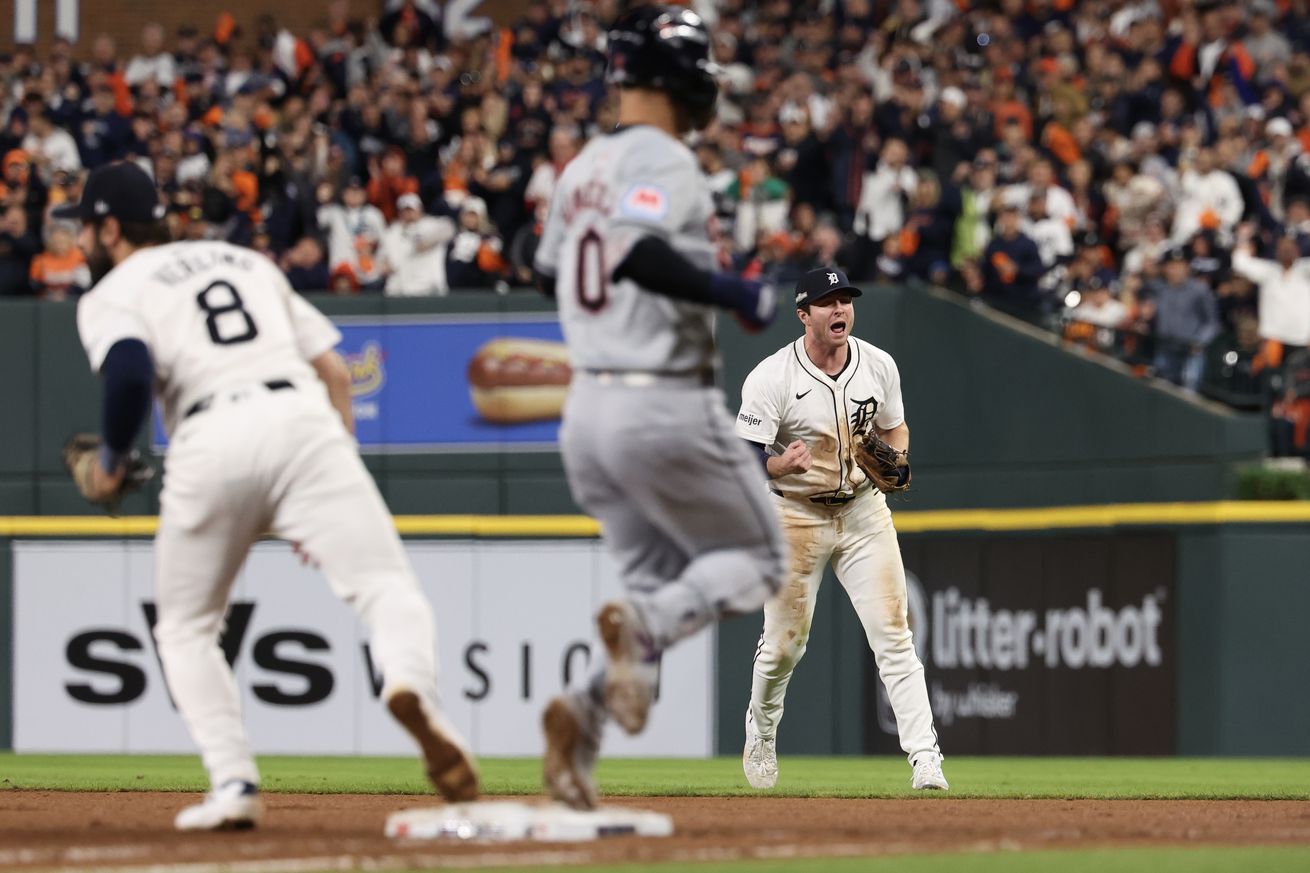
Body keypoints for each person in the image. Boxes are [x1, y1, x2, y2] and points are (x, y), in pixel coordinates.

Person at [59, 162, 478, 830]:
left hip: (210, 433)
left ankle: (233, 781)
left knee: (186, 627)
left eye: (83, 226)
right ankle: (411, 686)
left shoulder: (113, 290)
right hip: (305, 423)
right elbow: (336, 369)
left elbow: (132, 373)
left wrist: (110, 463)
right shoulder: (241, 260)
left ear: (109, 226)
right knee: (386, 586)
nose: (78, 239)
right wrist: (330, 472)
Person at [532, 5, 786, 811]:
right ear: (682, 76)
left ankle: (580, 723)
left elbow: (547, 267)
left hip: (587, 413)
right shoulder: (665, 159)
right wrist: (733, 290)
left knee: (652, 595)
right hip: (661, 402)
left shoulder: (580, 167)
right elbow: (634, 251)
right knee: (762, 561)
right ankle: (633, 642)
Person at [734, 266, 947, 793]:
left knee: (895, 637)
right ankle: (761, 731)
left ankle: (926, 758)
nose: (840, 310)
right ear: (803, 314)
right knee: (785, 646)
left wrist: (898, 454)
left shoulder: (878, 365)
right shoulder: (771, 377)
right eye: (827, 302)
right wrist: (776, 466)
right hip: (794, 514)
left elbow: (895, 425)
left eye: (845, 299)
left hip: (861, 512)